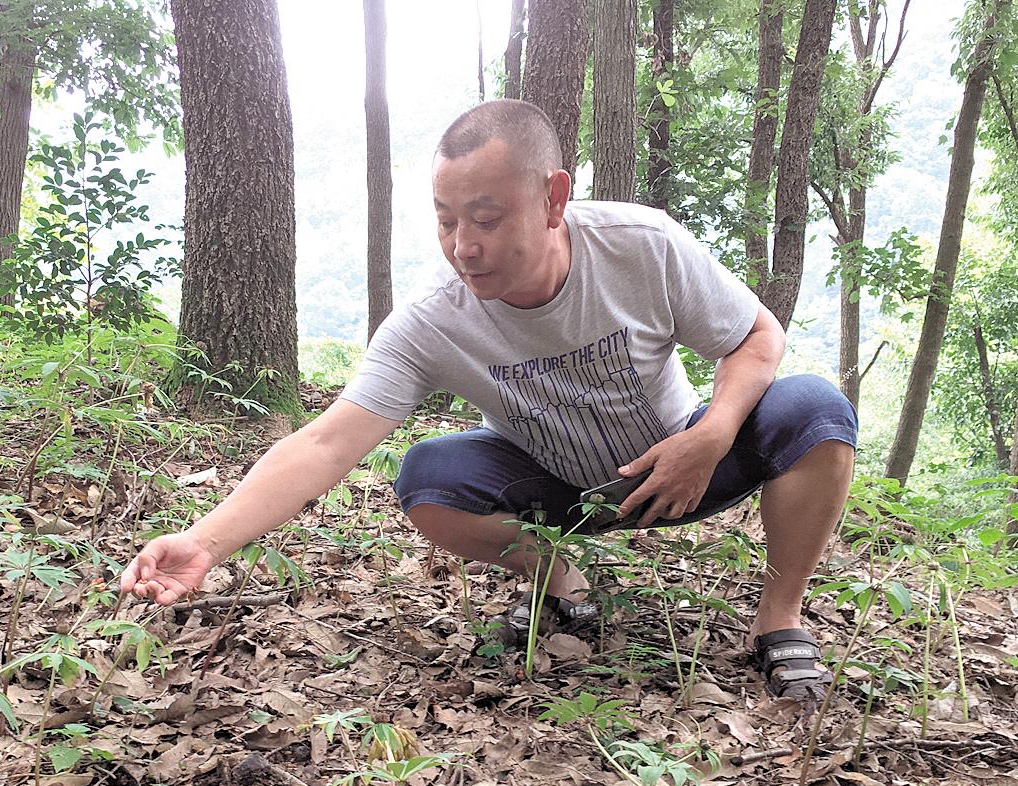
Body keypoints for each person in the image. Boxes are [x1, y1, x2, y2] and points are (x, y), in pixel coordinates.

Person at [120, 100, 857, 700]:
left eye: (485, 218)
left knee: (815, 413)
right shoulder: (434, 319)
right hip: (559, 488)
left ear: (552, 198)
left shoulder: (639, 246)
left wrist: (713, 433)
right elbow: (323, 442)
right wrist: (205, 542)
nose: (462, 246)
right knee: (426, 478)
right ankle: (559, 579)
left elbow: (756, 335)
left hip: (682, 462)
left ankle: (778, 619)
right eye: (445, 220)